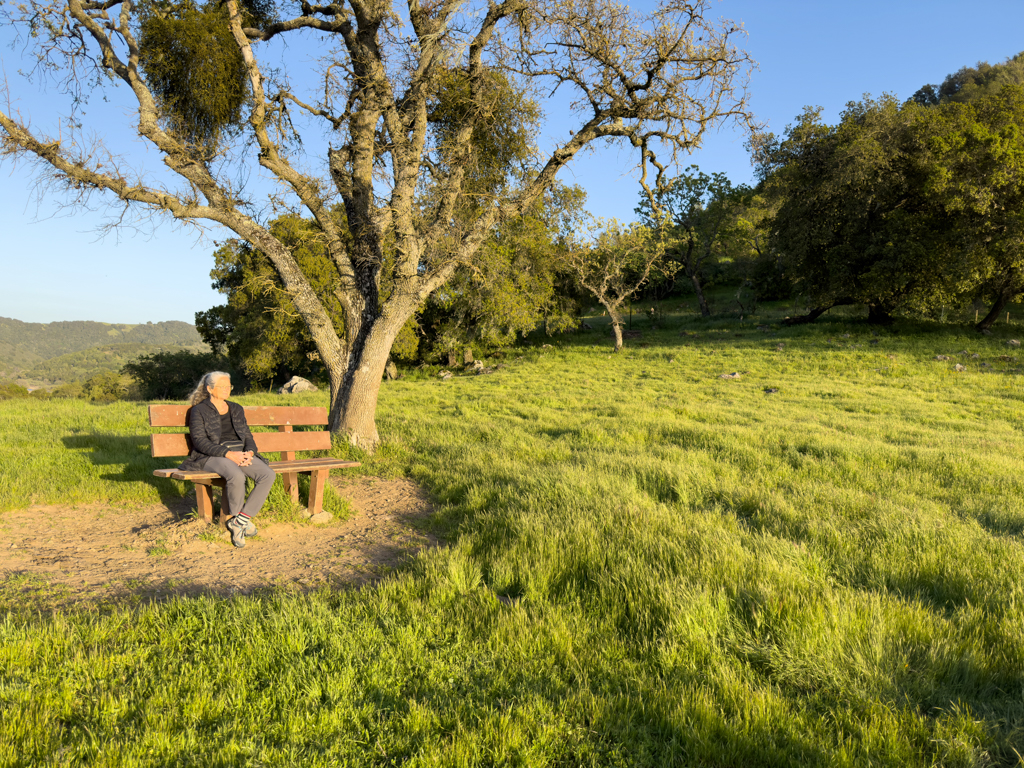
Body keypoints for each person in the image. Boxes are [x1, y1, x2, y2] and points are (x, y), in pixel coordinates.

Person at [179, 371, 275, 548]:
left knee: (267, 475)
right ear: (210, 389)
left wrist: (250, 452)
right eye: (222, 386)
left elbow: (247, 434)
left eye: (228, 386)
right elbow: (200, 442)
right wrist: (228, 454)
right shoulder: (198, 411)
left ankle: (240, 521)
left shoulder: (236, 408)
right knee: (236, 475)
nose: (226, 389)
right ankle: (237, 519)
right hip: (211, 455)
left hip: (240, 453)